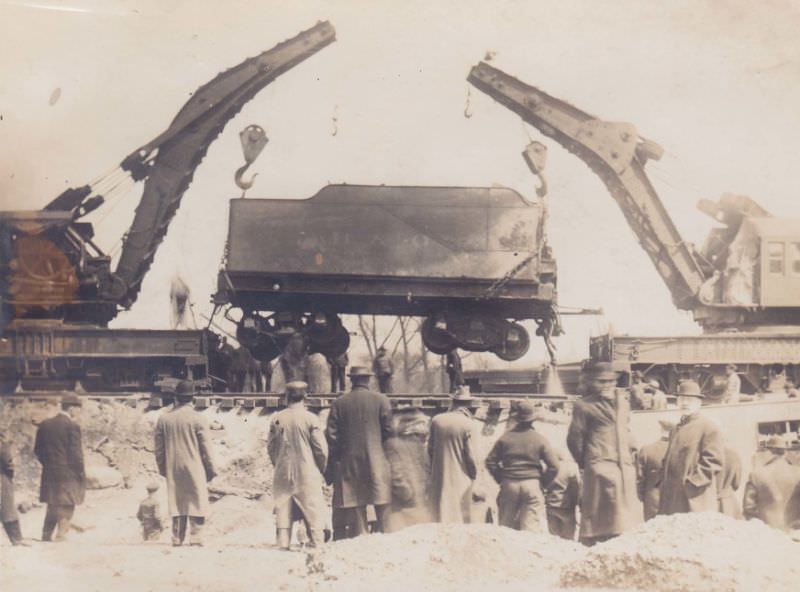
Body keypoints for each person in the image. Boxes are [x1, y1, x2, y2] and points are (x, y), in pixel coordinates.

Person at [567, 362, 641, 545]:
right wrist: (588, 462)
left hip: (624, 466)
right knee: (599, 518)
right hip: (600, 467)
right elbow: (575, 440)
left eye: (611, 382)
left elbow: (626, 430)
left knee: (626, 519)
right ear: (592, 383)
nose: (608, 386)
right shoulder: (584, 406)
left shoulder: (623, 403)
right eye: (602, 382)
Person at [325, 366, 392, 538]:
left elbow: (332, 435)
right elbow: (389, 431)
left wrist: (340, 454)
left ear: (351, 380)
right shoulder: (381, 400)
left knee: (355, 497)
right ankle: (387, 535)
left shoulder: (339, 402)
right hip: (376, 457)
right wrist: (378, 446)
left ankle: (360, 534)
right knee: (380, 496)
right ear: (368, 380)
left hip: (349, 458)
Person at [154, 380, 217, 546]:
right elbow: (206, 449)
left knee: (176, 500)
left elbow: (159, 450)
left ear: (176, 397)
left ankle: (177, 537)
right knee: (197, 499)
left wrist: (163, 469)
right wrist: (211, 470)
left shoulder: (164, 419)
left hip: (173, 466)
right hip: (195, 466)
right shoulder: (198, 419)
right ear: (192, 398)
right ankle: (196, 538)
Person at [268, 381, 328, 549]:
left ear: (287, 397)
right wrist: (321, 469)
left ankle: (283, 543)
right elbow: (321, 450)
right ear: (305, 396)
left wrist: (279, 464)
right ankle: (317, 542)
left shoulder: (277, 418)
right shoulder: (311, 418)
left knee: (283, 506)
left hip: (283, 470)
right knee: (312, 507)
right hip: (307, 470)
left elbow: (271, 447)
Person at [485, 401, 560, 532]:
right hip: (532, 484)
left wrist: (501, 478)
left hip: (509, 485)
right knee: (530, 529)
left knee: (505, 528)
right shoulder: (539, 439)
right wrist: (542, 482)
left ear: (517, 418)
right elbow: (554, 466)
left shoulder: (505, 438)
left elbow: (490, 461)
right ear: (532, 419)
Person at [658, 380, 724, 515]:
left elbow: (714, 461)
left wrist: (692, 483)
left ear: (699, 403)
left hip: (695, 499)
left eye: (690, 400)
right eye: (681, 399)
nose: (685, 403)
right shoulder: (676, 429)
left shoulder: (708, 427)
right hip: (673, 498)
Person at [34, 394, 86, 542]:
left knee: (52, 502)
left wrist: (48, 464)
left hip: (50, 471)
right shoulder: (72, 426)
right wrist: (80, 472)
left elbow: (38, 450)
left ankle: (46, 535)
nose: (78, 412)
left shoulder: (45, 425)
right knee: (68, 503)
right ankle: (61, 535)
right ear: (71, 408)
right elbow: (76, 454)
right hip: (68, 472)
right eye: (77, 409)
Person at [428, 386, 479, 523]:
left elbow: (430, 450)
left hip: (439, 476)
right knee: (459, 517)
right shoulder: (469, 424)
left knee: (440, 515)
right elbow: (471, 456)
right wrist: (474, 475)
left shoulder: (437, 420)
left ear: (453, 402)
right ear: (468, 404)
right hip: (460, 478)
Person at [383, 403, 432, 533]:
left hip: (420, 505)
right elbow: (396, 475)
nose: (423, 437)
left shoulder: (420, 446)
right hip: (402, 510)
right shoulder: (393, 445)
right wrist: (407, 495)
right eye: (419, 433)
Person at [742, 435, 800, 530]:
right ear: (785, 452)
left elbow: (748, 508)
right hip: (796, 532)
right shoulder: (798, 472)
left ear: (768, 452)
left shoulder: (756, 474)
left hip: (768, 533)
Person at [637, 419, 673, 521]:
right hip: (674, 500)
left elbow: (639, 478)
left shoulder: (647, 450)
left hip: (652, 500)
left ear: (661, 429)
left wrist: (641, 496)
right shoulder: (681, 450)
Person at [544, 451, 580, 540]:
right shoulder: (569, 468)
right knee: (568, 538)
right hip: (566, 506)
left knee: (554, 538)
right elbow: (575, 487)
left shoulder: (548, 470)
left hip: (550, 506)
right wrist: (576, 502)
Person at [1, 437, 27, 545]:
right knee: (8, 510)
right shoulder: (3, 446)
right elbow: (8, 463)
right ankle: (16, 539)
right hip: (2, 480)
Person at [717, 446, 742, 518]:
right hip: (728, 504)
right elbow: (736, 484)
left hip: (707, 504)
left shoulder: (703, 454)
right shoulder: (733, 455)